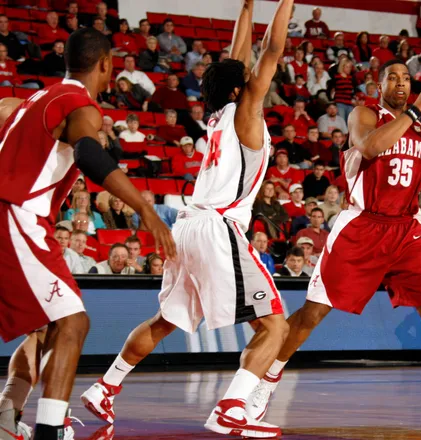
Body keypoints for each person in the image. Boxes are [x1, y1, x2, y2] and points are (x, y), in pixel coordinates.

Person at [82, 1, 296, 437]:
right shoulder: (246, 112)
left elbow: (240, 55)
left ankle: (106, 386)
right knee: (275, 325)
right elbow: (271, 49)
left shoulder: (218, 114)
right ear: (242, 90)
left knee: (167, 319)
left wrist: (247, 6)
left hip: (188, 227)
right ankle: (232, 407)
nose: (257, 80)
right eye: (249, 81)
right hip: (219, 228)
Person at [246, 60, 421, 430]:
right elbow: (372, 147)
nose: (401, 82)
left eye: (407, 78)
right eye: (392, 77)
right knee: (314, 312)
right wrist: (415, 110)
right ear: (380, 86)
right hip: (361, 224)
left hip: (406, 230)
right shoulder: (364, 115)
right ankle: (265, 383)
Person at [0, 27, 176, 440]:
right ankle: (49, 429)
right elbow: (88, 153)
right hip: (17, 215)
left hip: (21, 218)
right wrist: (145, 208)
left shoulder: (32, 99)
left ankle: (8, 416)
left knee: (46, 327)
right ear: (107, 65)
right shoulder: (81, 105)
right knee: (74, 323)